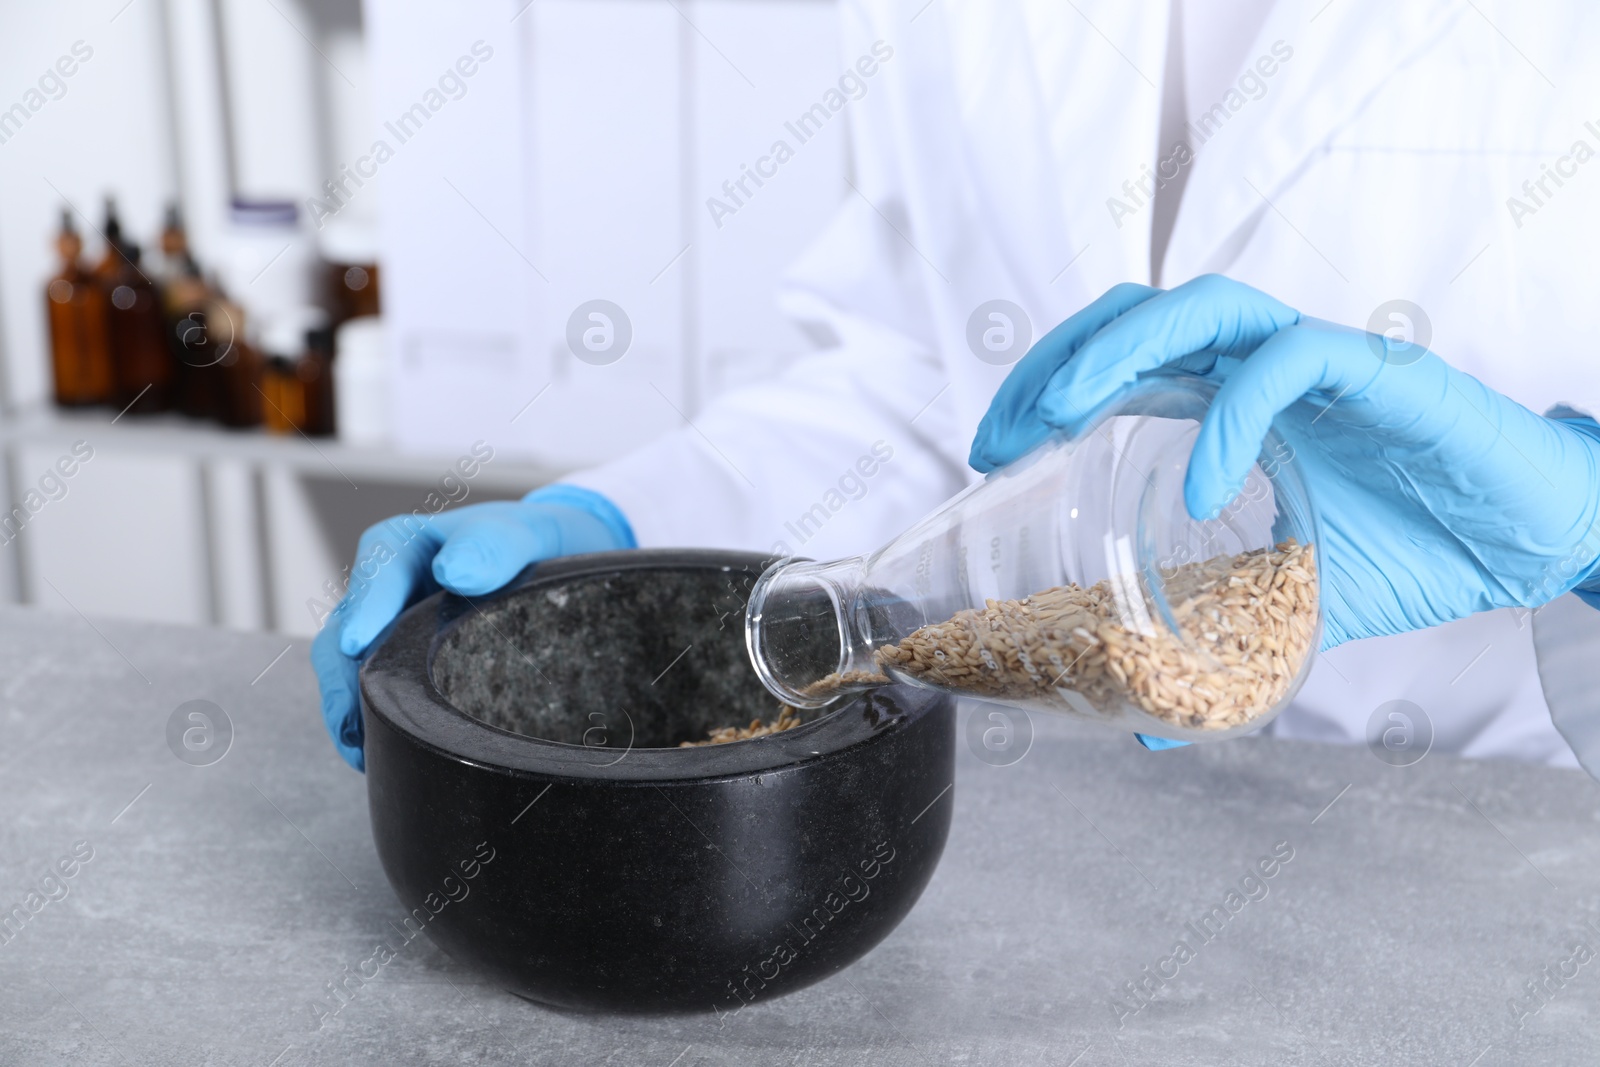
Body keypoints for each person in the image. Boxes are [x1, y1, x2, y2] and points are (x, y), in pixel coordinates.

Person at [314, 0, 1600, 771]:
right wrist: (612, 529)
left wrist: (1586, 521)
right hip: (1116, 846)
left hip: (1527, 842)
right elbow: (938, 380)